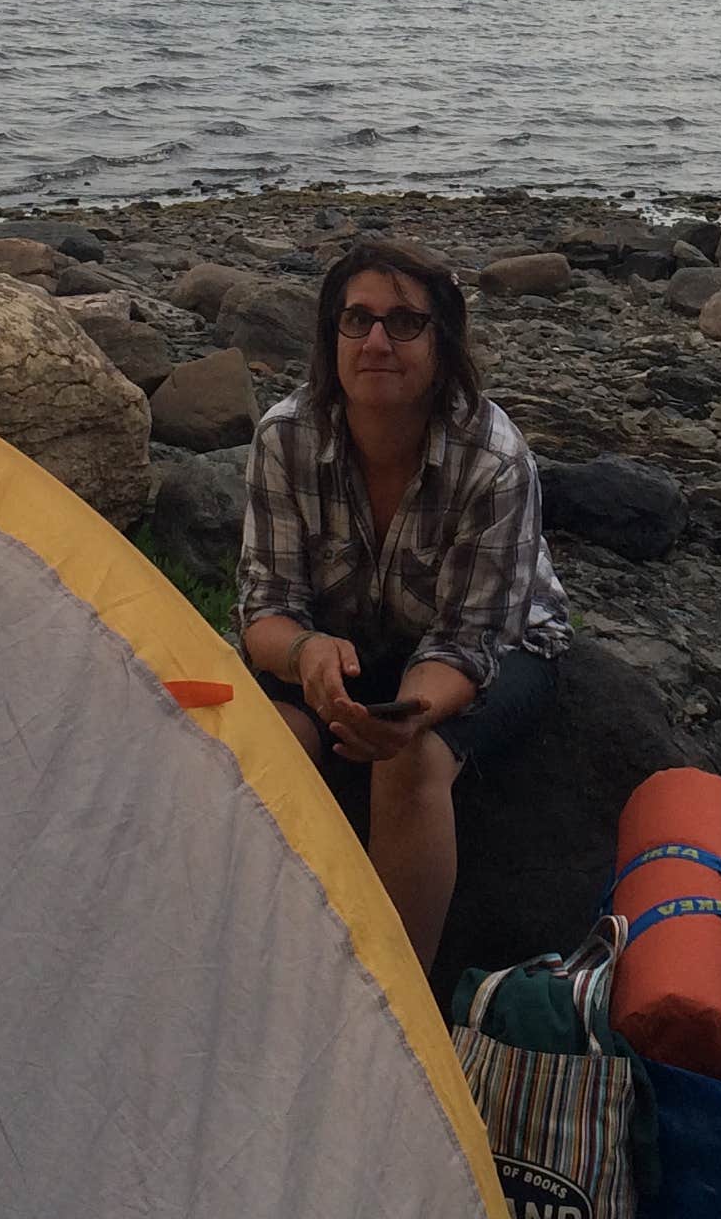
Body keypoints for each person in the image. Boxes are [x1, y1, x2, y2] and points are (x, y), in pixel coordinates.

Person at [236, 235, 569, 970]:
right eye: (357, 320)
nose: (377, 342)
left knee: (408, 760)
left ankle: (393, 998)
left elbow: (469, 641)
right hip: (348, 639)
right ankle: (254, 960)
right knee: (265, 744)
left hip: (500, 643)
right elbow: (266, 607)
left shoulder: (494, 460)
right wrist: (305, 655)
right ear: (331, 339)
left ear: (442, 346)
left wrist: (405, 714)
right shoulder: (285, 439)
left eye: (406, 322)